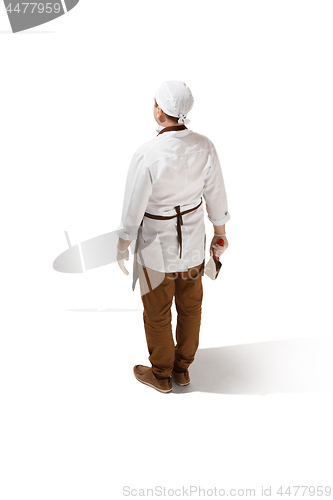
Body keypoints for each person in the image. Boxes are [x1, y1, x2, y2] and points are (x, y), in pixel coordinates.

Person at [116, 81, 230, 393]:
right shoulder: (204, 145)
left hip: (155, 248)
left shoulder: (147, 153)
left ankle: (162, 373)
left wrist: (123, 241)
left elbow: (133, 205)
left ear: (158, 111)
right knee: (191, 307)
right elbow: (216, 194)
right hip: (193, 240)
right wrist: (220, 233)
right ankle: (182, 370)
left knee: (157, 310)